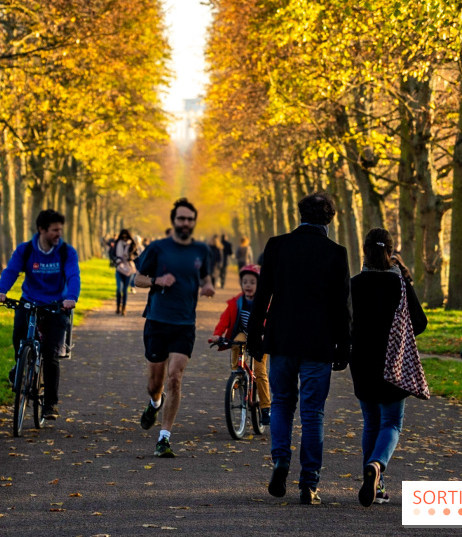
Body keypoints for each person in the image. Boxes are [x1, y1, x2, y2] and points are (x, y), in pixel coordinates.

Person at [246, 192, 351, 505]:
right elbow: (342, 305)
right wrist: (344, 345)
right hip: (319, 344)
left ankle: (281, 459)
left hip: (282, 340)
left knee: (281, 403)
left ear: (300, 214)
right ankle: (309, 484)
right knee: (313, 413)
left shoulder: (277, 245)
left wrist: (254, 336)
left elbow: (262, 295)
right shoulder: (336, 252)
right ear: (329, 220)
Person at [349, 228, 427, 507]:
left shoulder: (354, 284)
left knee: (371, 422)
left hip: (362, 361)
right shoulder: (399, 284)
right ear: (390, 252)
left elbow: (345, 323)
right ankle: (377, 464)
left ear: (364, 251)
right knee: (391, 422)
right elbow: (420, 322)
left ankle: (375, 484)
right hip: (394, 360)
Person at [133, 198, 215, 458]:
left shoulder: (201, 250)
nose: (185, 223)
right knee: (155, 384)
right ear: (174, 220)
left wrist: (208, 284)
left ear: (194, 222)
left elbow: (205, 275)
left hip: (184, 324)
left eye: (190, 219)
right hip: (157, 321)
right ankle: (154, 403)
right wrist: (156, 280)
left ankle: (164, 438)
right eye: (181, 218)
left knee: (175, 379)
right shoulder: (157, 248)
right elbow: (138, 278)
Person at [0, 209, 80, 421]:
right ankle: (20, 366)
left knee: (50, 353)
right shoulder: (25, 250)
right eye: (54, 230)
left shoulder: (66, 252)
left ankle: (50, 404)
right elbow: (11, 271)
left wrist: (71, 297)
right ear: (41, 229)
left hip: (56, 305)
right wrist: (1, 290)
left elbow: (73, 275)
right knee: (19, 334)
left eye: (60, 229)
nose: (59, 234)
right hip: (29, 300)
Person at [209, 264, 271, 425]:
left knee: (260, 371)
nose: (248, 285)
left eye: (252, 282)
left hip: (260, 336)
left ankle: (265, 408)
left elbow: (272, 321)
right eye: (245, 282)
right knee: (236, 341)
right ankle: (237, 370)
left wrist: (268, 335)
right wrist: (217, 334)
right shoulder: (236, 302)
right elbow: (225, 319)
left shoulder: (265, 302)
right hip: (244, 333)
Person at [114, 229, 137, 315]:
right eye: (123, 235)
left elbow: (136, 254)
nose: (124, 237)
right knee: (119, 288)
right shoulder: (117, 243)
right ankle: (118, 306)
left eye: (126, 235)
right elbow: (112, 254)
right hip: (119, 268)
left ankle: (124, 307)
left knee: (125, 289)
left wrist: (131, 257)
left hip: (129, 269)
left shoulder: (132, 244)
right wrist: (116, 260)